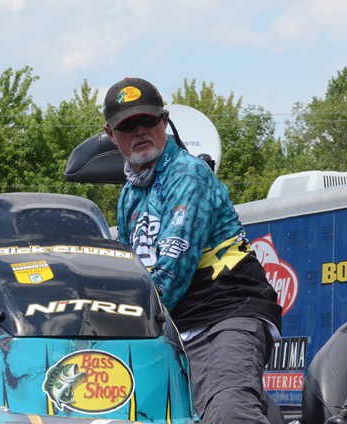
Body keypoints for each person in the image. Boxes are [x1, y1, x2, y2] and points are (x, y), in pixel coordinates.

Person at [103, 77, 283, 424]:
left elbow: (172, 270)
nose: (140, 131)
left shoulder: (188, 174)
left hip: (227, 311)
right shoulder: (128, 197)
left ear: (164, 121)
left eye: (148, 120)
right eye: (127, 125)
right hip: (178, 323)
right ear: (112, 135)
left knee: (229, 411)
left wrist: (117, 319)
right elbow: (130, 272)